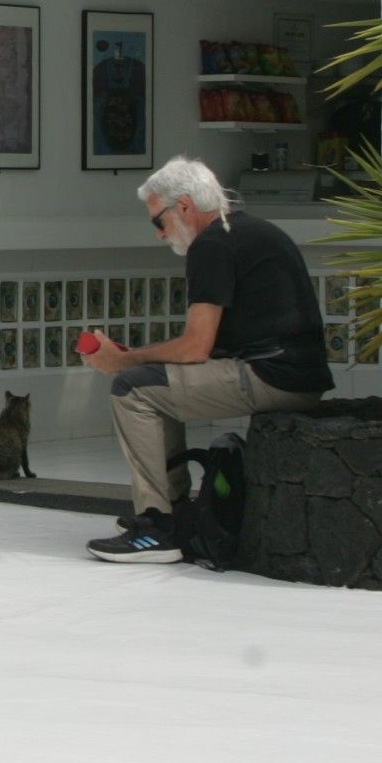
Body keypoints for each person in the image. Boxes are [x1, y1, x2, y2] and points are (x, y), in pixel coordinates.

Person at [81, 155, 332, 562]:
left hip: (271, 375)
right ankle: (176, 514)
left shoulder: (212, 243)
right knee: (152, 380)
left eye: (157, 222)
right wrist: (142, 359)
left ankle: (156, 525)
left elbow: (195, 347)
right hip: (295, 374)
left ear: (183, 207)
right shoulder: (248, 230)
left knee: (132, 388)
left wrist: (122, 361)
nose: (161, 235)